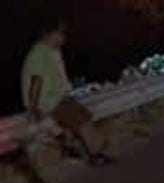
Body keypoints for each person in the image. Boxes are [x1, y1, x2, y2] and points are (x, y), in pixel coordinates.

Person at [20, 24, 112, 166]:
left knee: (78, 120)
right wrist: (33, 108)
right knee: (83, 121)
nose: (63, 39)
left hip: (58, 97)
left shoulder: (51, 51)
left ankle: (74, 152)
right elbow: (36, 81)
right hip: (50, 100)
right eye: (60, 35)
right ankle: (96, 155)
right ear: (49, 34)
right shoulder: (39, 53)